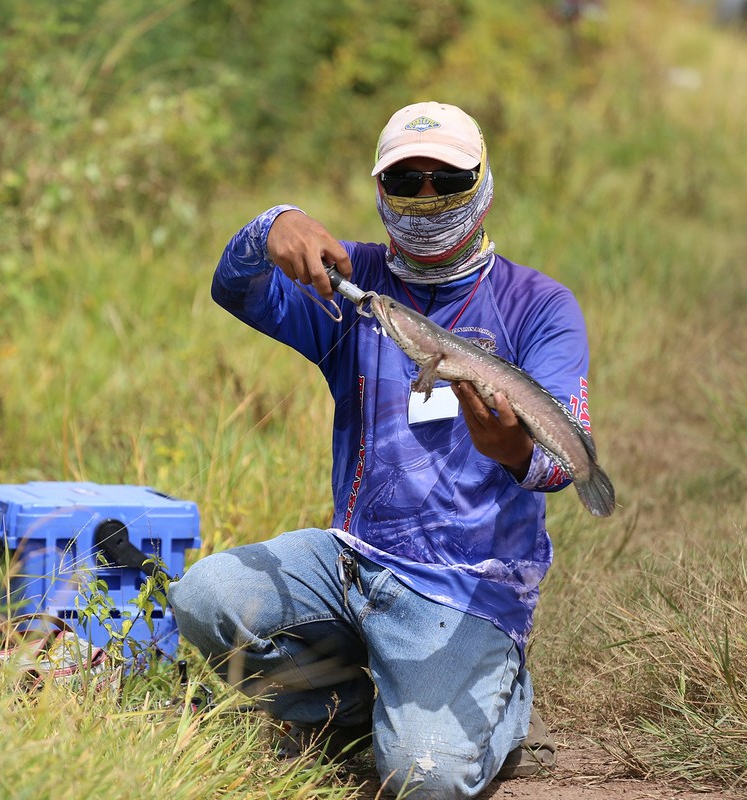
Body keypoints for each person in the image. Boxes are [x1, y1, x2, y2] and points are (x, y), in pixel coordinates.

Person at [170, 101, 597, 797]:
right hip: (352, 559)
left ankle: (500, 700)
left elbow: (564, 459)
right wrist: (272, 224)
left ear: (482, 184)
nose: (426, 196)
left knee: (423, 780)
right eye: (406, 180)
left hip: (468, 590)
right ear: (380, 191)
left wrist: (513, 450)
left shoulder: (539, 306)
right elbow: (233, 286)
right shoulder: (353, 286)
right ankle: (345, 720)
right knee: (205, 598)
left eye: (446, 179)